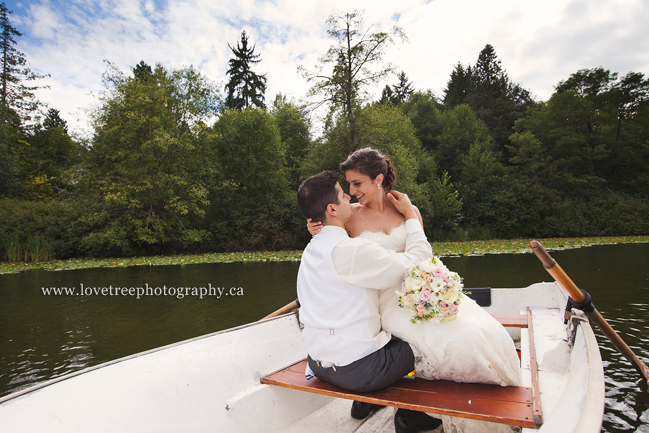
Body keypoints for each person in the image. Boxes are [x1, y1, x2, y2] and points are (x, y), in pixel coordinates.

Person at [307, 149, 522, 431]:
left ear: (378, 179)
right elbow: (335, 247)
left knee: (481, 333)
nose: (351, 190)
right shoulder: (349, 217)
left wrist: (431, 288)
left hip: (422, 290)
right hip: (385, 300)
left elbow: (424, 258)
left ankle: (486, 408)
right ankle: (412, 406)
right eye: (348, 185)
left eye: (357, 183)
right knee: (439, 340)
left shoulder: (408, 210)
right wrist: (315, 230)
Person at [296, 170, 442, 433]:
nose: (350, 198)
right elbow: (416, 263)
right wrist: (410, 216)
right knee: (430, 338)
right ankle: (412, 416)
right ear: (331, 209)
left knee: (383, 327)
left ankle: (363, 405)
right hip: (359, 372)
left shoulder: (311, 248)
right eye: (343, 196)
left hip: (318, 364)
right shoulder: (352, 251)